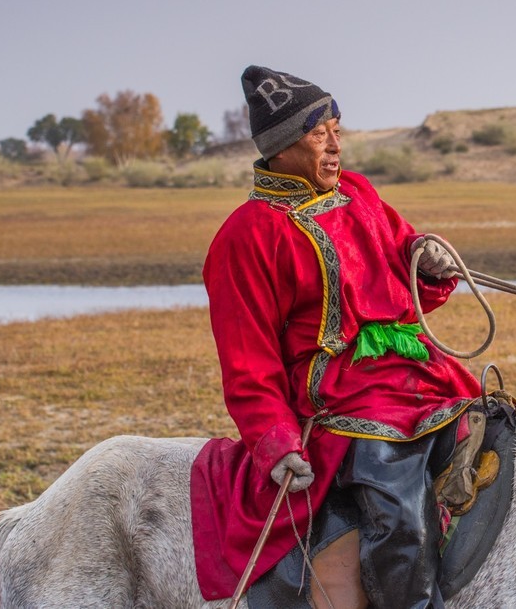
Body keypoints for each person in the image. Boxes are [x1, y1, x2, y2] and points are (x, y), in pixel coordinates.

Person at [189, 65, 480, 609]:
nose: (334, 147)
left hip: (422, 376)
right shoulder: (244, 237)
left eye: (337, 132)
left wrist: (431, 267)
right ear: (282, 146)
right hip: (339, 400)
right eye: (318, 134)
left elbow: (403, 269)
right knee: (396, 512)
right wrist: (275, 442)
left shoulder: (359, 193)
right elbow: (246, 362)